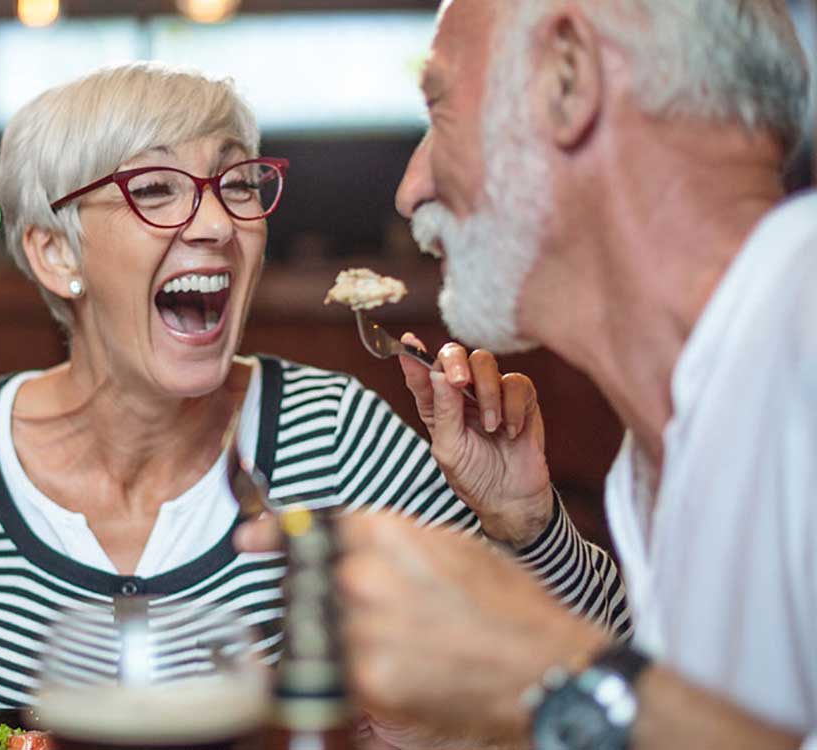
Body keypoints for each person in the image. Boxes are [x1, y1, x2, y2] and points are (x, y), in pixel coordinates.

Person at [0, 62, 627, 750]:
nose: (218, 225)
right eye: (156, 191)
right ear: (55, 253)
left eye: (238, 187)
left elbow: (598, 680)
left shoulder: (336, 438)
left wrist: (526, 527)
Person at [239, 0, 815, 748]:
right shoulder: (659, 450)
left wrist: (538, 673)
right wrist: (531, 536)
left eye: (439, 110)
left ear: (567, 79)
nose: (408, 189)